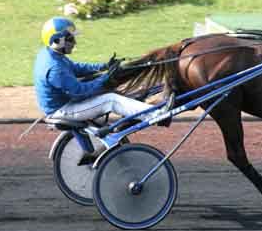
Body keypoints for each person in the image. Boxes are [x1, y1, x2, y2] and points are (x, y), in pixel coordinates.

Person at [34, 17, 172, 145]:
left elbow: (76, 67)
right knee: (110, 100)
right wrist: (106, 77)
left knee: (110, 93)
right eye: (70, 39)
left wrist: (104, 66)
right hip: (64, 109)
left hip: (65, 102)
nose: (74, 42)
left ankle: (141, 111)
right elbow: (81, 92)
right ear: (57, 40)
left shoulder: (51, 53)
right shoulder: (55, 68)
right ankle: (157, 114)